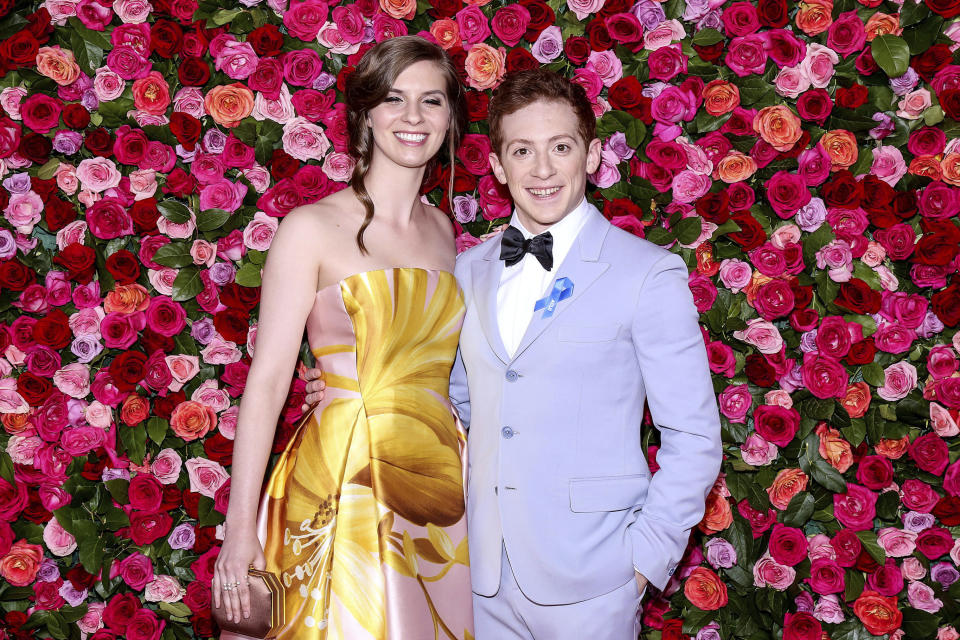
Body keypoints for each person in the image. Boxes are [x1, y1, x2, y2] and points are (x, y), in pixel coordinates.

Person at [305, 69, 722, 639]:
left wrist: (642, 563)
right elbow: (449, 401)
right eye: (523, 151)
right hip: (480, 578)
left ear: (592, 155)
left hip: (595, 581)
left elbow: (694, 438)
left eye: (561, 147)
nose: (543, 170)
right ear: (499, 166)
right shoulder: (468, 270)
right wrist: (359, 385)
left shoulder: (647, 274)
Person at [215, 36, 474, 640]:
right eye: (394, 99)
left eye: (431, 101)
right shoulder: (310, 228)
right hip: (340, 480)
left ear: (450, 117)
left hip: (438, 483)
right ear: (365, 115)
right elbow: (270, 382)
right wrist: (239, 528)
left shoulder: (448, 234)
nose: (413, 118)